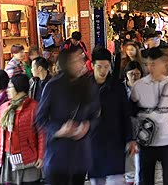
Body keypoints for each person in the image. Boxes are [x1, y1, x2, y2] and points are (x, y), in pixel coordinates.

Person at [36, 45, 101, 185]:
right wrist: (59, 130)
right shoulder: (53, 86)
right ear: (67, 63)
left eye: (82, 58)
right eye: (76, 60)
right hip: (58, 155)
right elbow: (40, 119)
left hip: (80, 155)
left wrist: (87, 126)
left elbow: (96, 114)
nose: (82, 63)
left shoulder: (89, 85)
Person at [130, 47, 168, 185]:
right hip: (146, 139)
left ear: (163, 63)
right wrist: (134, 136)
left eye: (154, 64)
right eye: (148, 64)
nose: (151, 67)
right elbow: (132, 113)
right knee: (146, 178)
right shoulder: (139, 86)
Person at [88, 48, 137, 185]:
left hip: (114, 141)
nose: (103, 70)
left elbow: (125, 114)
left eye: (106, 66)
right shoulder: (84, 87)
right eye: (99, 66)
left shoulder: (117, 87)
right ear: (92, 65)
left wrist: (130, 138)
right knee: (96, 181)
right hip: (93, 142)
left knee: (116, 180)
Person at [0, 74, 45, 185]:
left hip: (29, 158)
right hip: (9, 158)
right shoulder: (5, 108)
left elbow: (41, 133)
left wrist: (41, 156)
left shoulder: (34, 108)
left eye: (10, 87)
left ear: (19, 88)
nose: (7, 90)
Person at [123, 61, 144, 185]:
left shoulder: (146, 88)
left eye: (137, 74)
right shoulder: (121, 89)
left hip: (142, 126)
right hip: (126, 126)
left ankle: (139, 179)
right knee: (129, 157)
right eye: (131, 74)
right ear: (126, 74)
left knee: (140, 158)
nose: (135, 77)